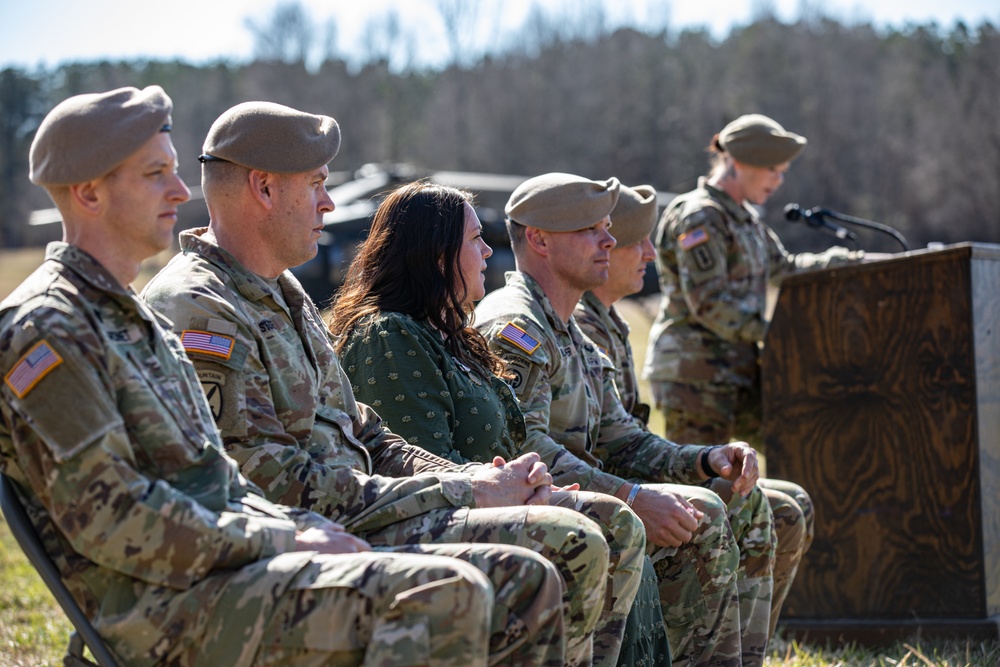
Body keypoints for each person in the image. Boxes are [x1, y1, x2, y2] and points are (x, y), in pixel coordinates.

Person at [0, 86, 569, 666]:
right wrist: (290, 535)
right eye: (155, 174)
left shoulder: (127, 318)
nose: (179, 191)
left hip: (229, 570)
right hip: (162, 608)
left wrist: (294, 528)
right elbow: (113, 518)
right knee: (444, 595)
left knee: (520, 579)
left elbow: (221, 479)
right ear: (89, 193)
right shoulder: (49, 329)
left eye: (174, 171)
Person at [141, 101, 612, 666]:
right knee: (559, 547)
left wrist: (472, 476)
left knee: (575, 532)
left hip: (354, 515)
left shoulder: (282, 294)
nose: (329, 201)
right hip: (298, 545)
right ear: (263, 188)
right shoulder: (201, 308)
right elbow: (273, 484)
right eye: (315, 183)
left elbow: (367, 433)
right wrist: (466, 493)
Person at [328, 181, 669, 667]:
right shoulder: (389, 335)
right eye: (474, 239)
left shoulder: (449, 334)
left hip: (486, 499)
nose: (489, 250)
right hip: (433, 514)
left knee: (613, 518)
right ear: (436, 252)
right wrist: (503, 487)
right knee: (607, 521)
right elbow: (415, 463)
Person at [474, 172, 776, 667]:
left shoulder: (572, 330)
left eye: (608, 227)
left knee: (728, 496)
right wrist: (634, 497)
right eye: (591, 229)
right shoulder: (516, 326)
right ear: (539, 240)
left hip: (589, 502)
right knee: (704, 518)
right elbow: (524, 450)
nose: (611, 241)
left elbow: (623, 439)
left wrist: (705, 459)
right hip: (543, 512)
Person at [574, 182, 813, 639]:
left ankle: (742, 648)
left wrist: (705, 458)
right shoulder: (582, 326)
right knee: (763, 506)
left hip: (628, 476)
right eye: (636, 243)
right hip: (606, 496)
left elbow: (625, 436)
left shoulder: (607, 321)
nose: (650, 254)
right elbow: (592, 450)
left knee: (787, 501)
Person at [643, 113, 861, 454]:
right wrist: (781, 333)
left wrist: (849, 262)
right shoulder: (701, 215)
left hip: (739, 373)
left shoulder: (745, 219)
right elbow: (710, 303)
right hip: (695, 376)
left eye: (783, 171)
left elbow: (784, 267)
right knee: (701, 488)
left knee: (794, 450)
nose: (779, 180)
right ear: (740, 163)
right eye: (773, 169)